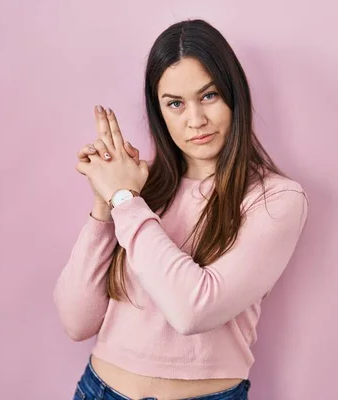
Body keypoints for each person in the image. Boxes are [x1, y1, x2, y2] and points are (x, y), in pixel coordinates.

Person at [54, 19, 309, 400]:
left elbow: (193, 310)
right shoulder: (142, 190)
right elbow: (76, 321)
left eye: (209, 96)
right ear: (159, 112)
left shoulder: (276, 199)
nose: (195, 120)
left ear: (234, 95)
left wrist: (124, 199)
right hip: (98, 390)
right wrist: (104, 201)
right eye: (175, 103)